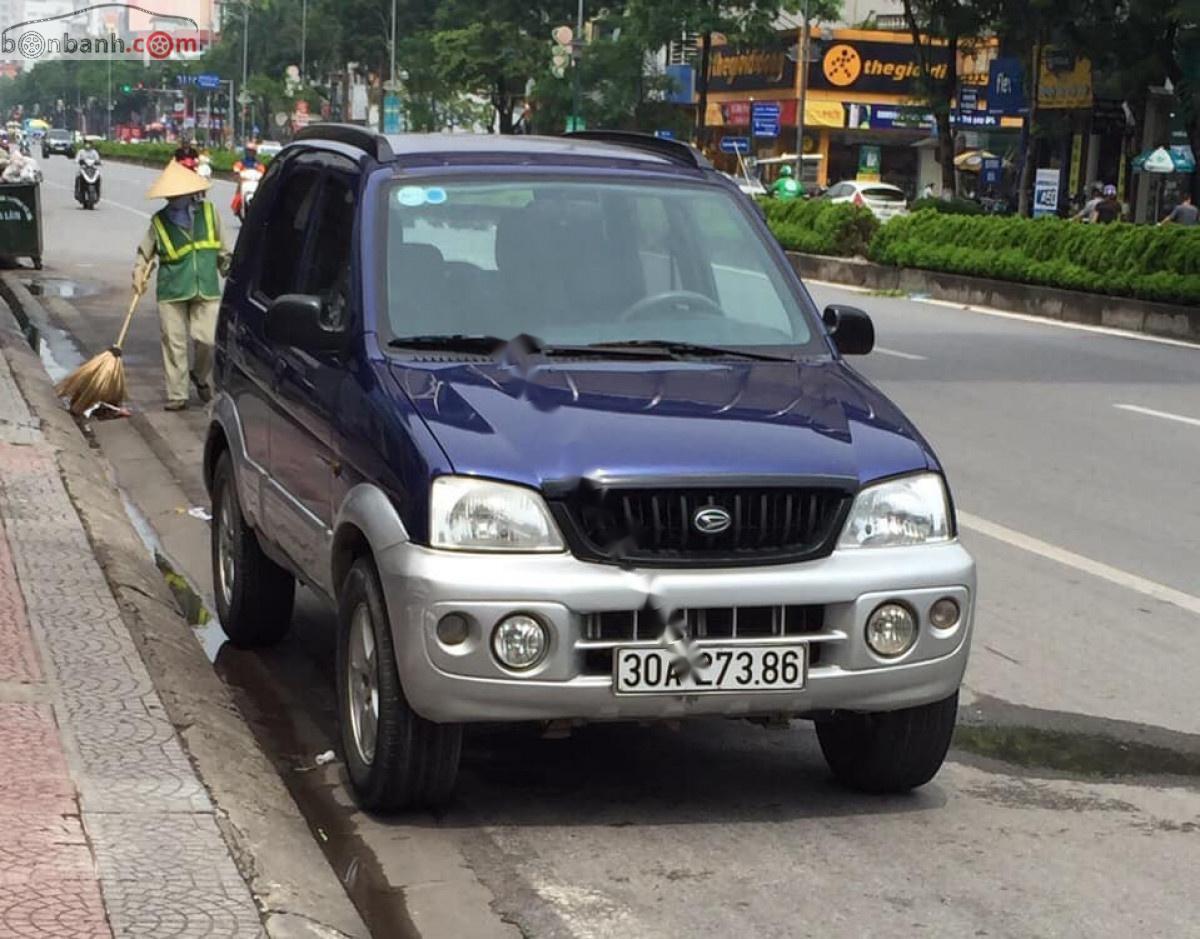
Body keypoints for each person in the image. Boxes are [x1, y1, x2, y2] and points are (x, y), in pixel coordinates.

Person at [132, 161, 232, 411]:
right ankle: (177, 394)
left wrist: (229, 268)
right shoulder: (159, 222)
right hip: (172, 289)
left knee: (207, 340)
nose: (175, 198)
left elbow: (224, 250)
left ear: (191, 192)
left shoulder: (210, 213)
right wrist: (139, 271)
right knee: (174, 343)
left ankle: (199, 375)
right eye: (172, 195)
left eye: (180, 194)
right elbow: (145, 253)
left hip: (206, 287)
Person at [231, 142, 260, 216]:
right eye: (249, 151)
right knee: (238, 196)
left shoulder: (258, 164)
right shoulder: (241, 162)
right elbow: (236, 169)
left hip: (254, 183)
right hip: (244, 183)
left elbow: (262, 171)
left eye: (252, 151)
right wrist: (237, 175)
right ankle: (237, 209)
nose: (250, 153)